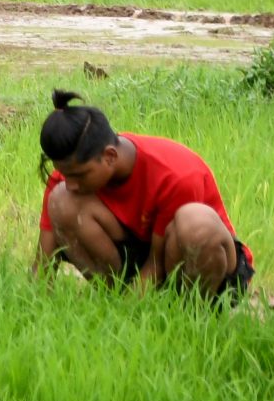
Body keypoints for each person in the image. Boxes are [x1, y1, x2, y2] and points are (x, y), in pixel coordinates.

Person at [35, 91, 252, 297]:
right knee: (61, 199)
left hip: (202, 269)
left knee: (194, 222)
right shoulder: (71, 171)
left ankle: (192, 315)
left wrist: (127, 313)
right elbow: (43, 263)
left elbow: (157, 264)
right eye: (65, 174)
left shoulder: (175, 174)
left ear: (110, 156)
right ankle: (113, 296)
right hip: (144, 258)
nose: (70, 183)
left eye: (79, 175)